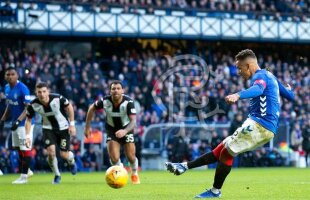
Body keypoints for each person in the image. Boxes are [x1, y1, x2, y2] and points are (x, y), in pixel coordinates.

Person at [165, 49, 295, 198]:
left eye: (240, 68)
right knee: (221, 149)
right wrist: (290, 90)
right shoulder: (269, 75)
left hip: (260, 125)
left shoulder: (259, 76)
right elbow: (290, 96)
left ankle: (215, 191)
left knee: (227, 151)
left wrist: (238, 95)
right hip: (259, 124)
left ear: (249, 65)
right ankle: (184, 166)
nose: (239, 72)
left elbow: (258, 89)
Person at [84, 80, 140, 184]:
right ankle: (120, 172)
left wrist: (125, 131)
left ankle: (134, 172)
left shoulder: (129, 102)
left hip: (126, 129)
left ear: (122, 90)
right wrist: (87, 127)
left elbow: (133, 121)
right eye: (113, 89)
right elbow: (91, 108)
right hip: (112, 130)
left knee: (131, 157)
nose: (116, 91)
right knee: (114, 158)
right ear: (110, 91)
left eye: (118, 88)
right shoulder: (105, 101)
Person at [25, 82, 77, 184]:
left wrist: (72, 124)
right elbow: (28, 120)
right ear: (36, 93)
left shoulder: (57, 98)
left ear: (48, 91)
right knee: (51, 152)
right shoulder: (33, 104)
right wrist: (27, 136)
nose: (42, 94)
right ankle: (57, 175)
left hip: (63, 128)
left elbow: (69, 107)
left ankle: (71, 162)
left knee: (64, 155)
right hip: (48, 129)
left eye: (44, 91)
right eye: (39, 92)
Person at [0, 66, 34, 184]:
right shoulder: (6, 88)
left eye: (12, 74)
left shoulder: (23, 89)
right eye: (7, 74)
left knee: (25, 148)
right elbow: (9, 105)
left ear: (17, 76)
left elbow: (28, 108)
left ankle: (24, 177)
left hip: (25, 123)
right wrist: (3, 119)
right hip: (15, 122)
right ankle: (27, 171)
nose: (9, 76)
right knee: (18, 148)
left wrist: (19, 121)